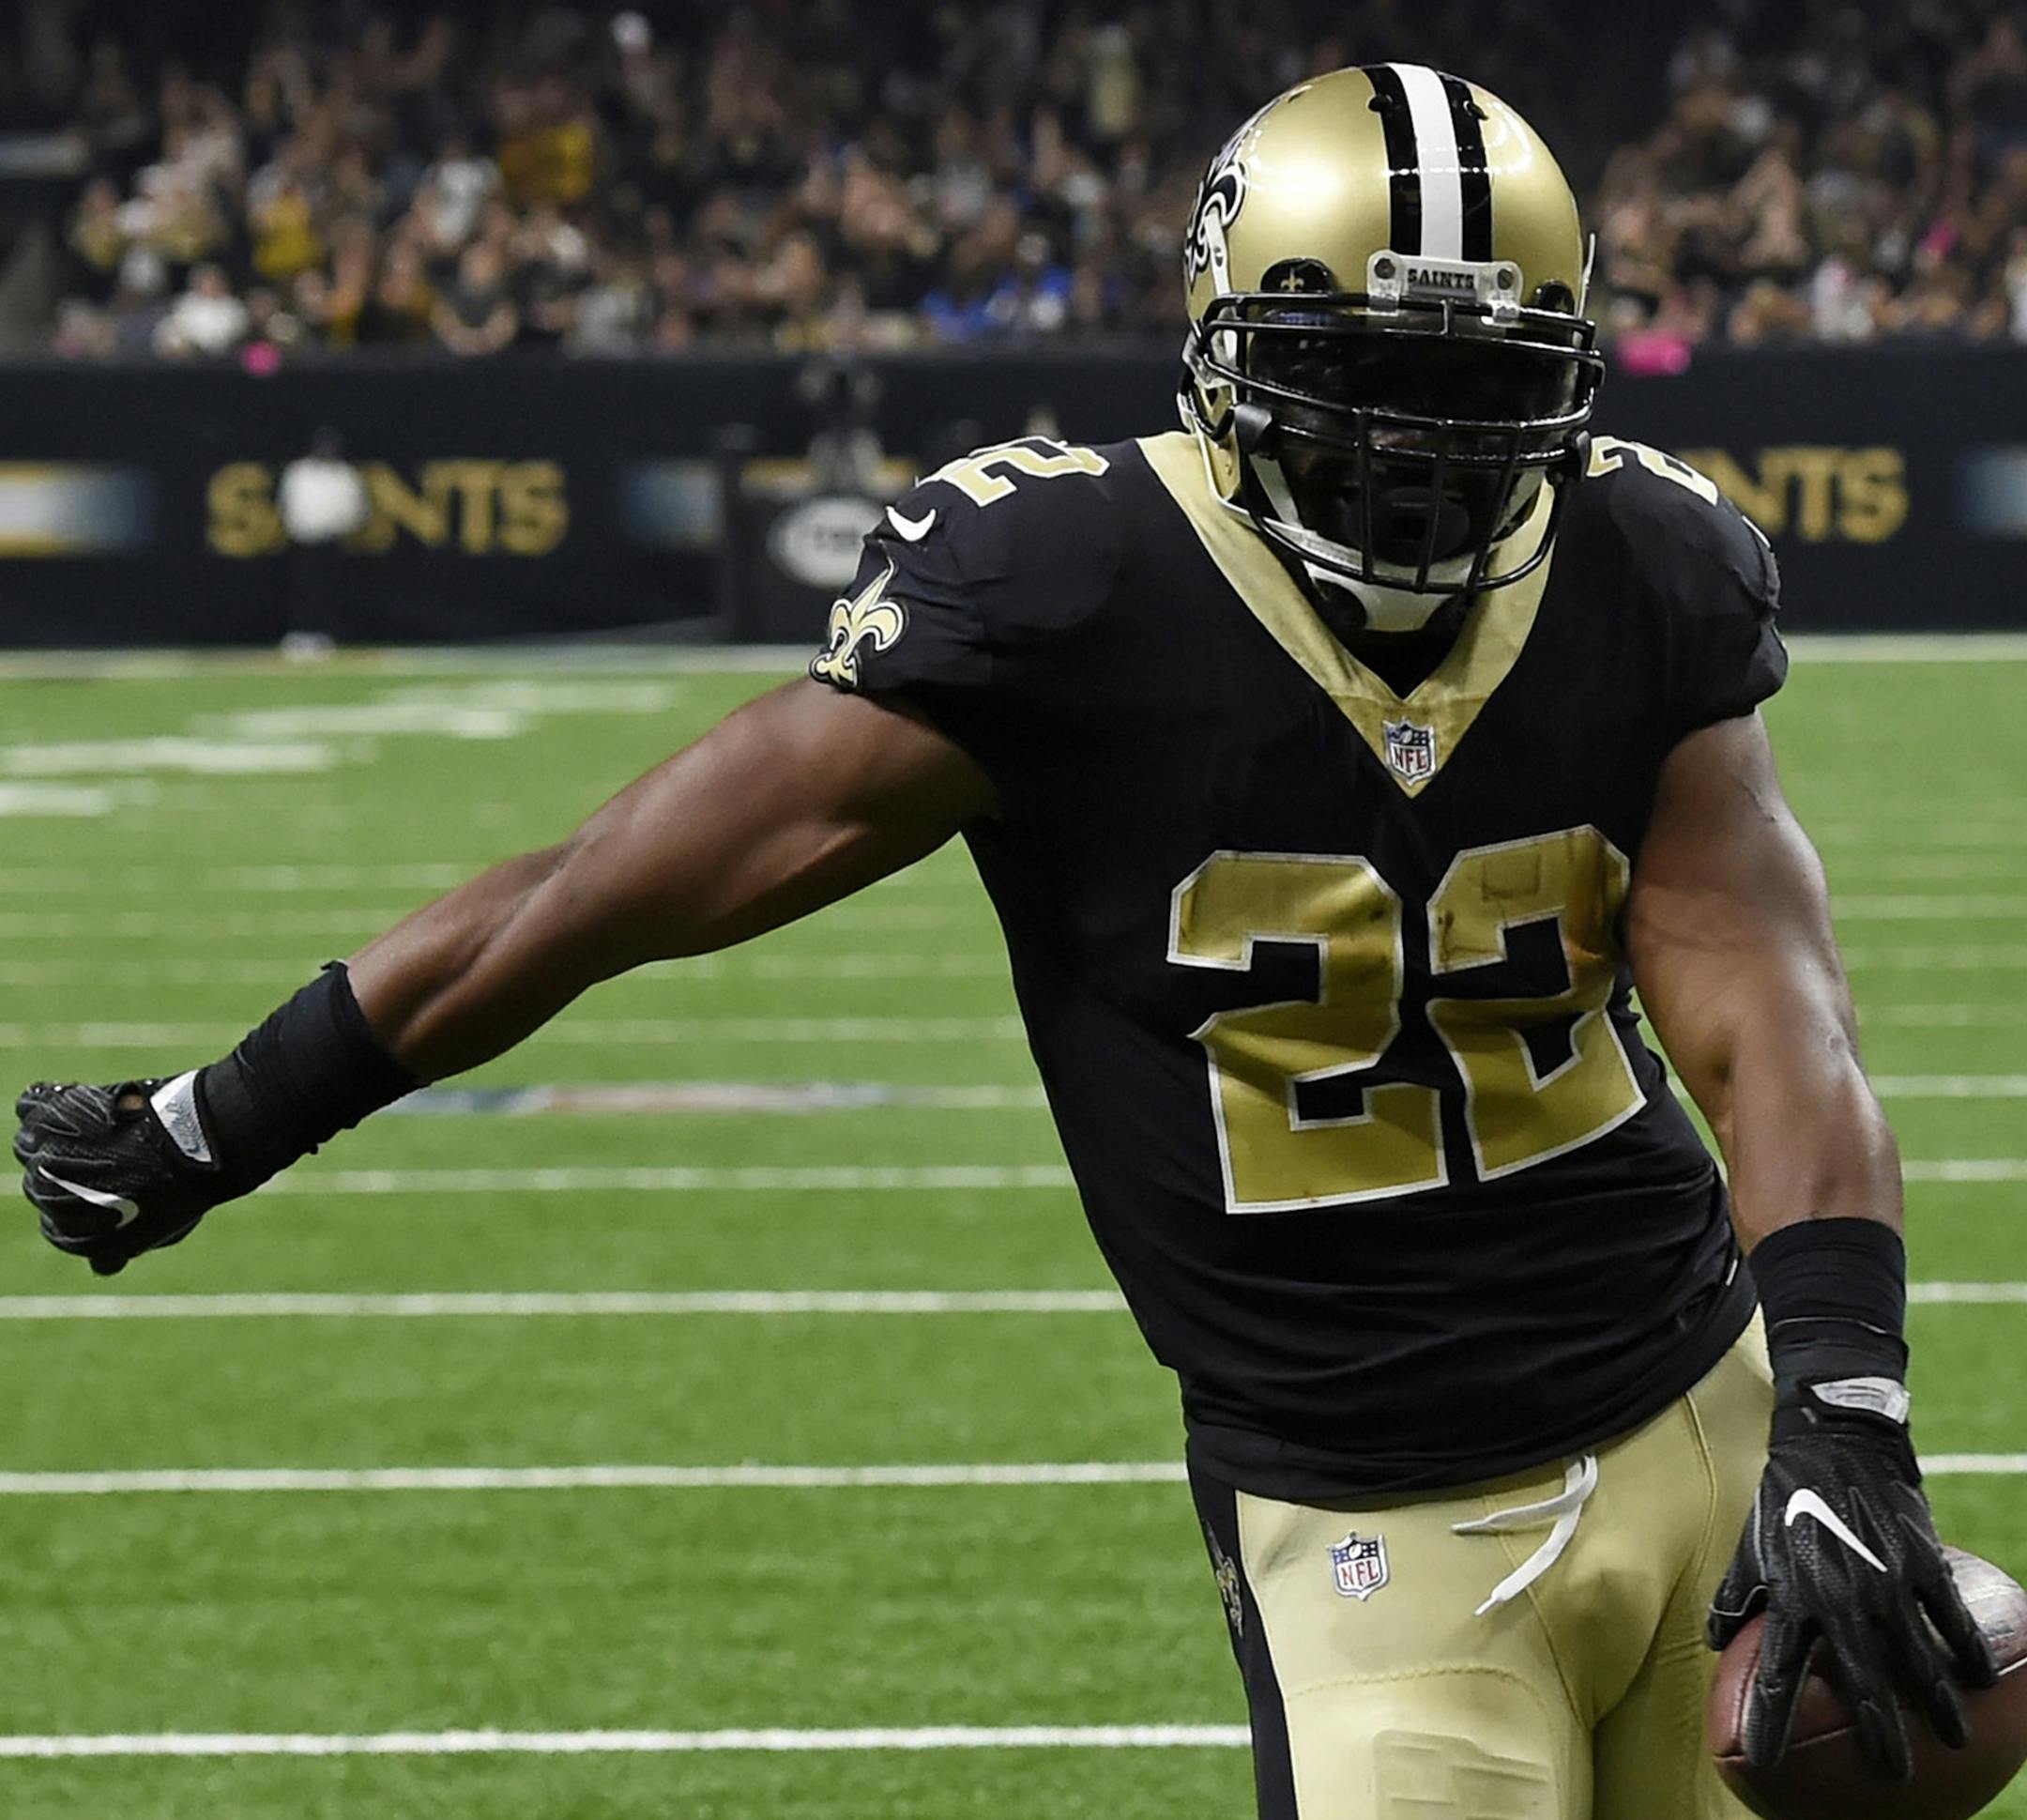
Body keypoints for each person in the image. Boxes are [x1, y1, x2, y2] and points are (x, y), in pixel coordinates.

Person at [13, 66, 1994, 1819]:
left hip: (1703, 1417)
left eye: (1477, 399)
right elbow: (594, 892)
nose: (1419, 460)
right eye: (1363, 389)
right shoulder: (1072, 596)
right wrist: (222, 1118)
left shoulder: (1638, 569)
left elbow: (1768, 1015)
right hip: (1372, 1513)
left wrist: (1842, 1408)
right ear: (1222, 359)